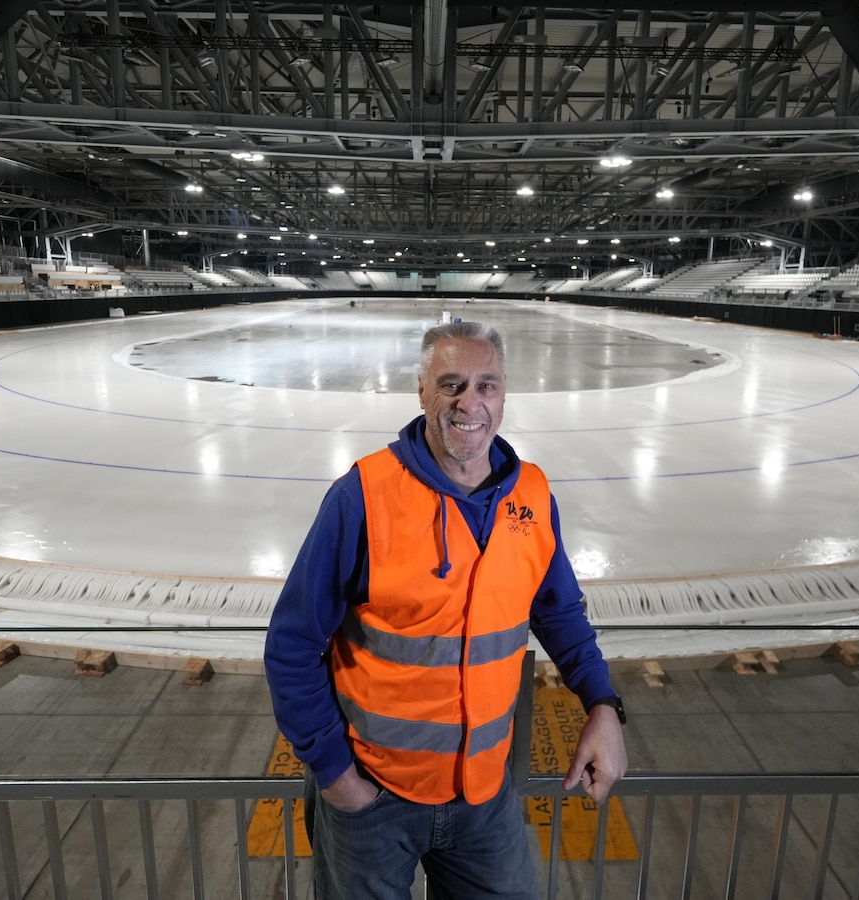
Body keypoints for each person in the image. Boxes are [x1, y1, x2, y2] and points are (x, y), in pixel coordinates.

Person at [263, 321, 627, 900]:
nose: (470, 402)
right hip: (373, 798)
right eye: (451, 384)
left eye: (487, 385)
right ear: (422, 392)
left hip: (485, 798)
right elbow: (292, 645)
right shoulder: (364, 495)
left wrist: (603, 705)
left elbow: (560, 614)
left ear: (504, 395)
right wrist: (338, 780)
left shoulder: (531, 497)